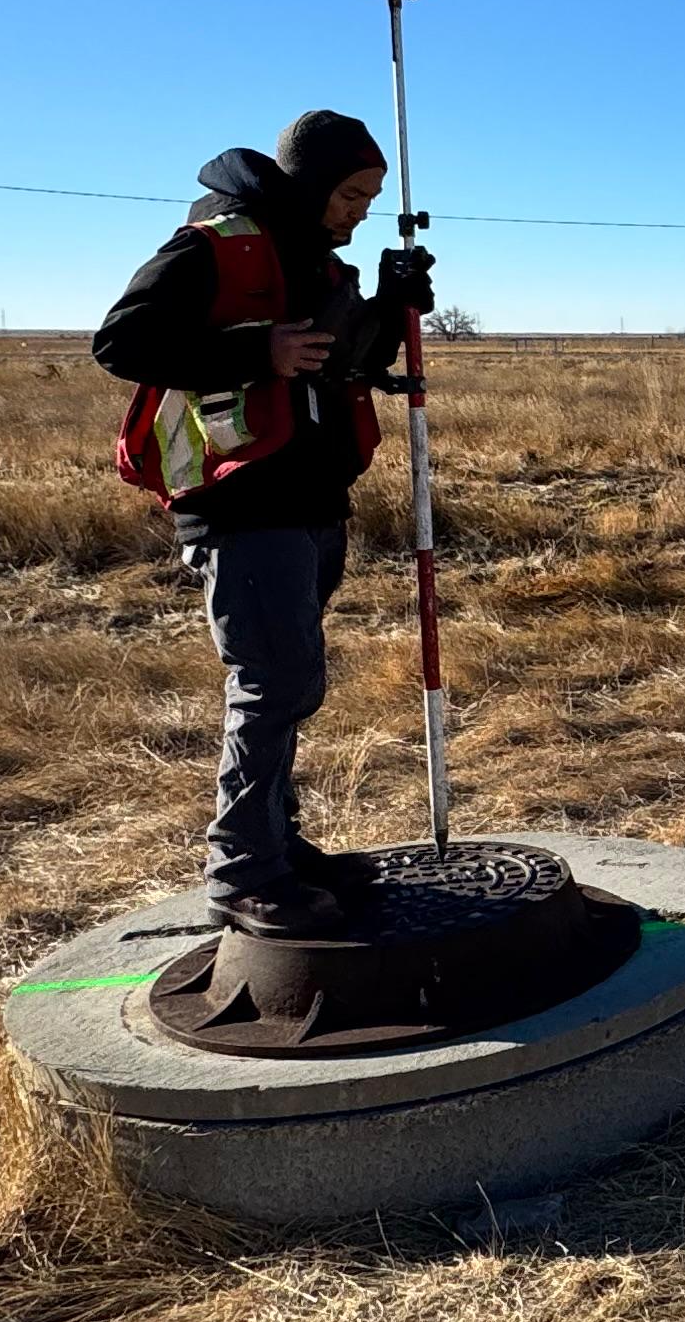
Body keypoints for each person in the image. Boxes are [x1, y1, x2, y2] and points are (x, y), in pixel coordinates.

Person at [93, 111, 438, 937]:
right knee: (272, 683)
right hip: (242, 506)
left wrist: (391, 306)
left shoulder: (314, 262)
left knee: (294, 684)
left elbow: (338, 363)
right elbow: (120, 341)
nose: (360, 210)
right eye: (352, 193)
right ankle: (243, 873)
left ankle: (276, 846)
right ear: (314, 184)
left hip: (312, 497)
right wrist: (258, 352)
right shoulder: (218, 245)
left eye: (371, 196)